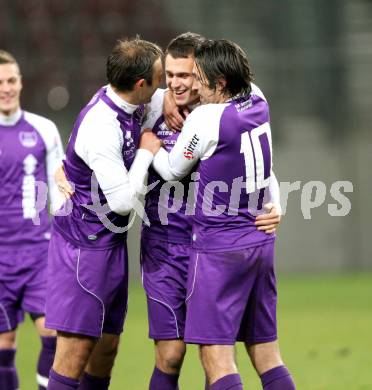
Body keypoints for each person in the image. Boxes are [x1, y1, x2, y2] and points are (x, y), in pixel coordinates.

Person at [152, 39, 295, 390]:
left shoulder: (205, 117)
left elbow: (172, 170)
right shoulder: (258, 97)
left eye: (197, 77)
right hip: (258, 241)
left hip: (218, 250)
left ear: (220, 83)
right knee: (266, 354)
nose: (191, 85)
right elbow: (265, 164)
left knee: (216, 357)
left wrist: (149, 146)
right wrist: (276, 202)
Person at [44, 38, 163, 390]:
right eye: (160, 77)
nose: (164, 85)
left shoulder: (130, 100)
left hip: (109, 244)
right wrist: (145, 152)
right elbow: (124, 203)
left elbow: (164, 99)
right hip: (84, 250)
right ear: (140, 84)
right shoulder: (101, 126)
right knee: (75, 354)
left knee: (107, 348)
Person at [0, 50, 64, 390]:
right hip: (0, 256)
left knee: (53, 336)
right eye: (0, 82)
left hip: (40, 253)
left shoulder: (44, 129)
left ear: (21, 83)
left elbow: (60, 187)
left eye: (11, 80)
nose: (6, 88)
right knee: (3, 346)